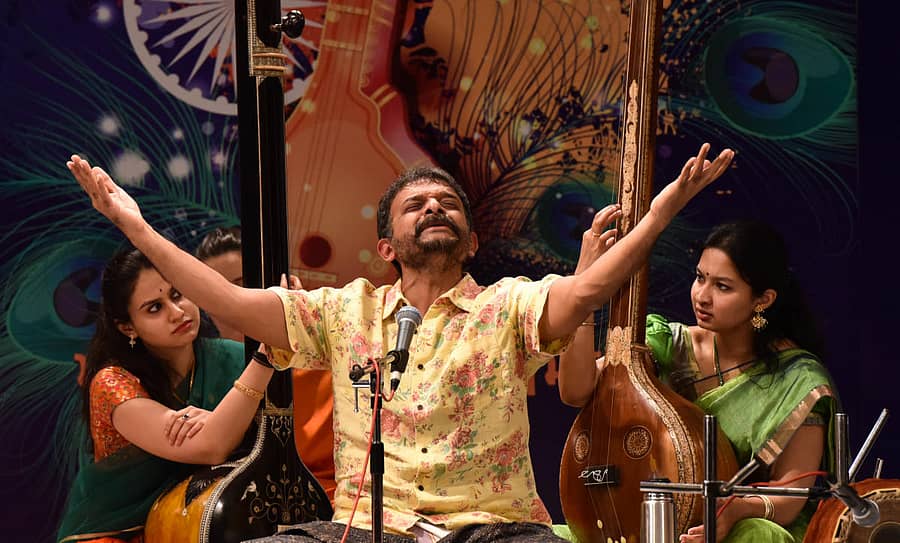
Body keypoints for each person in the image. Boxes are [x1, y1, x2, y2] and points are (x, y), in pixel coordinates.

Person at [66, 141, 733, 543]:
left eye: (447, 203)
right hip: (366, 528)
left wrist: (658, 215)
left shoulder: (508, 304)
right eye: (415, 205)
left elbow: (586, 292)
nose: (433, 206)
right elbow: (227, 300)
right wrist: (136, 227)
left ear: (472, 241)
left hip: (491, 528)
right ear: (387, 246)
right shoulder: (342, 311)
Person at [558, 220, 838, 543]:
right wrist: (582, 287)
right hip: (654, 521)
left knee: (757, 536)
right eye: (700, 277)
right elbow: (575, 391)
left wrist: (734, 510)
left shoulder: (796, 380)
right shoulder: (670, 345)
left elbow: (790, 496)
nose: (702, 296)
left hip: (740, 526)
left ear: (763, 299)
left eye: (723, 287)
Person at [56, 248, 275, 542]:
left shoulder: (230, 358)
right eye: (154, 308)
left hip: (201, 522)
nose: (177, 312)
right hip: (122, 533)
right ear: (128, 327)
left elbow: (271, 441)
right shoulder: (112, 383)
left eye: (177, 294)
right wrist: (268, 353)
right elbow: (210, 446)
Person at [194, 226, 338, 502]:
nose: (233, 303)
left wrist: (291, 322)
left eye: (241, 285)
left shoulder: (322, 353)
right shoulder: (204, 366)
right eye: (218, 293)